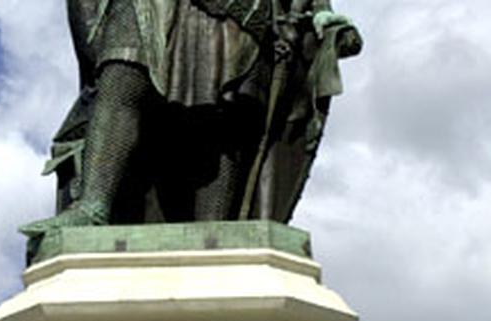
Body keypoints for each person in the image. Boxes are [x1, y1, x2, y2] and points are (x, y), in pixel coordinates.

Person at [19, 0, 362, 241]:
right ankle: (93, 206)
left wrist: (321, 9)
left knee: (219, 109)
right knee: (122, 71)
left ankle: (212, 234)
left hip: (235, 8)